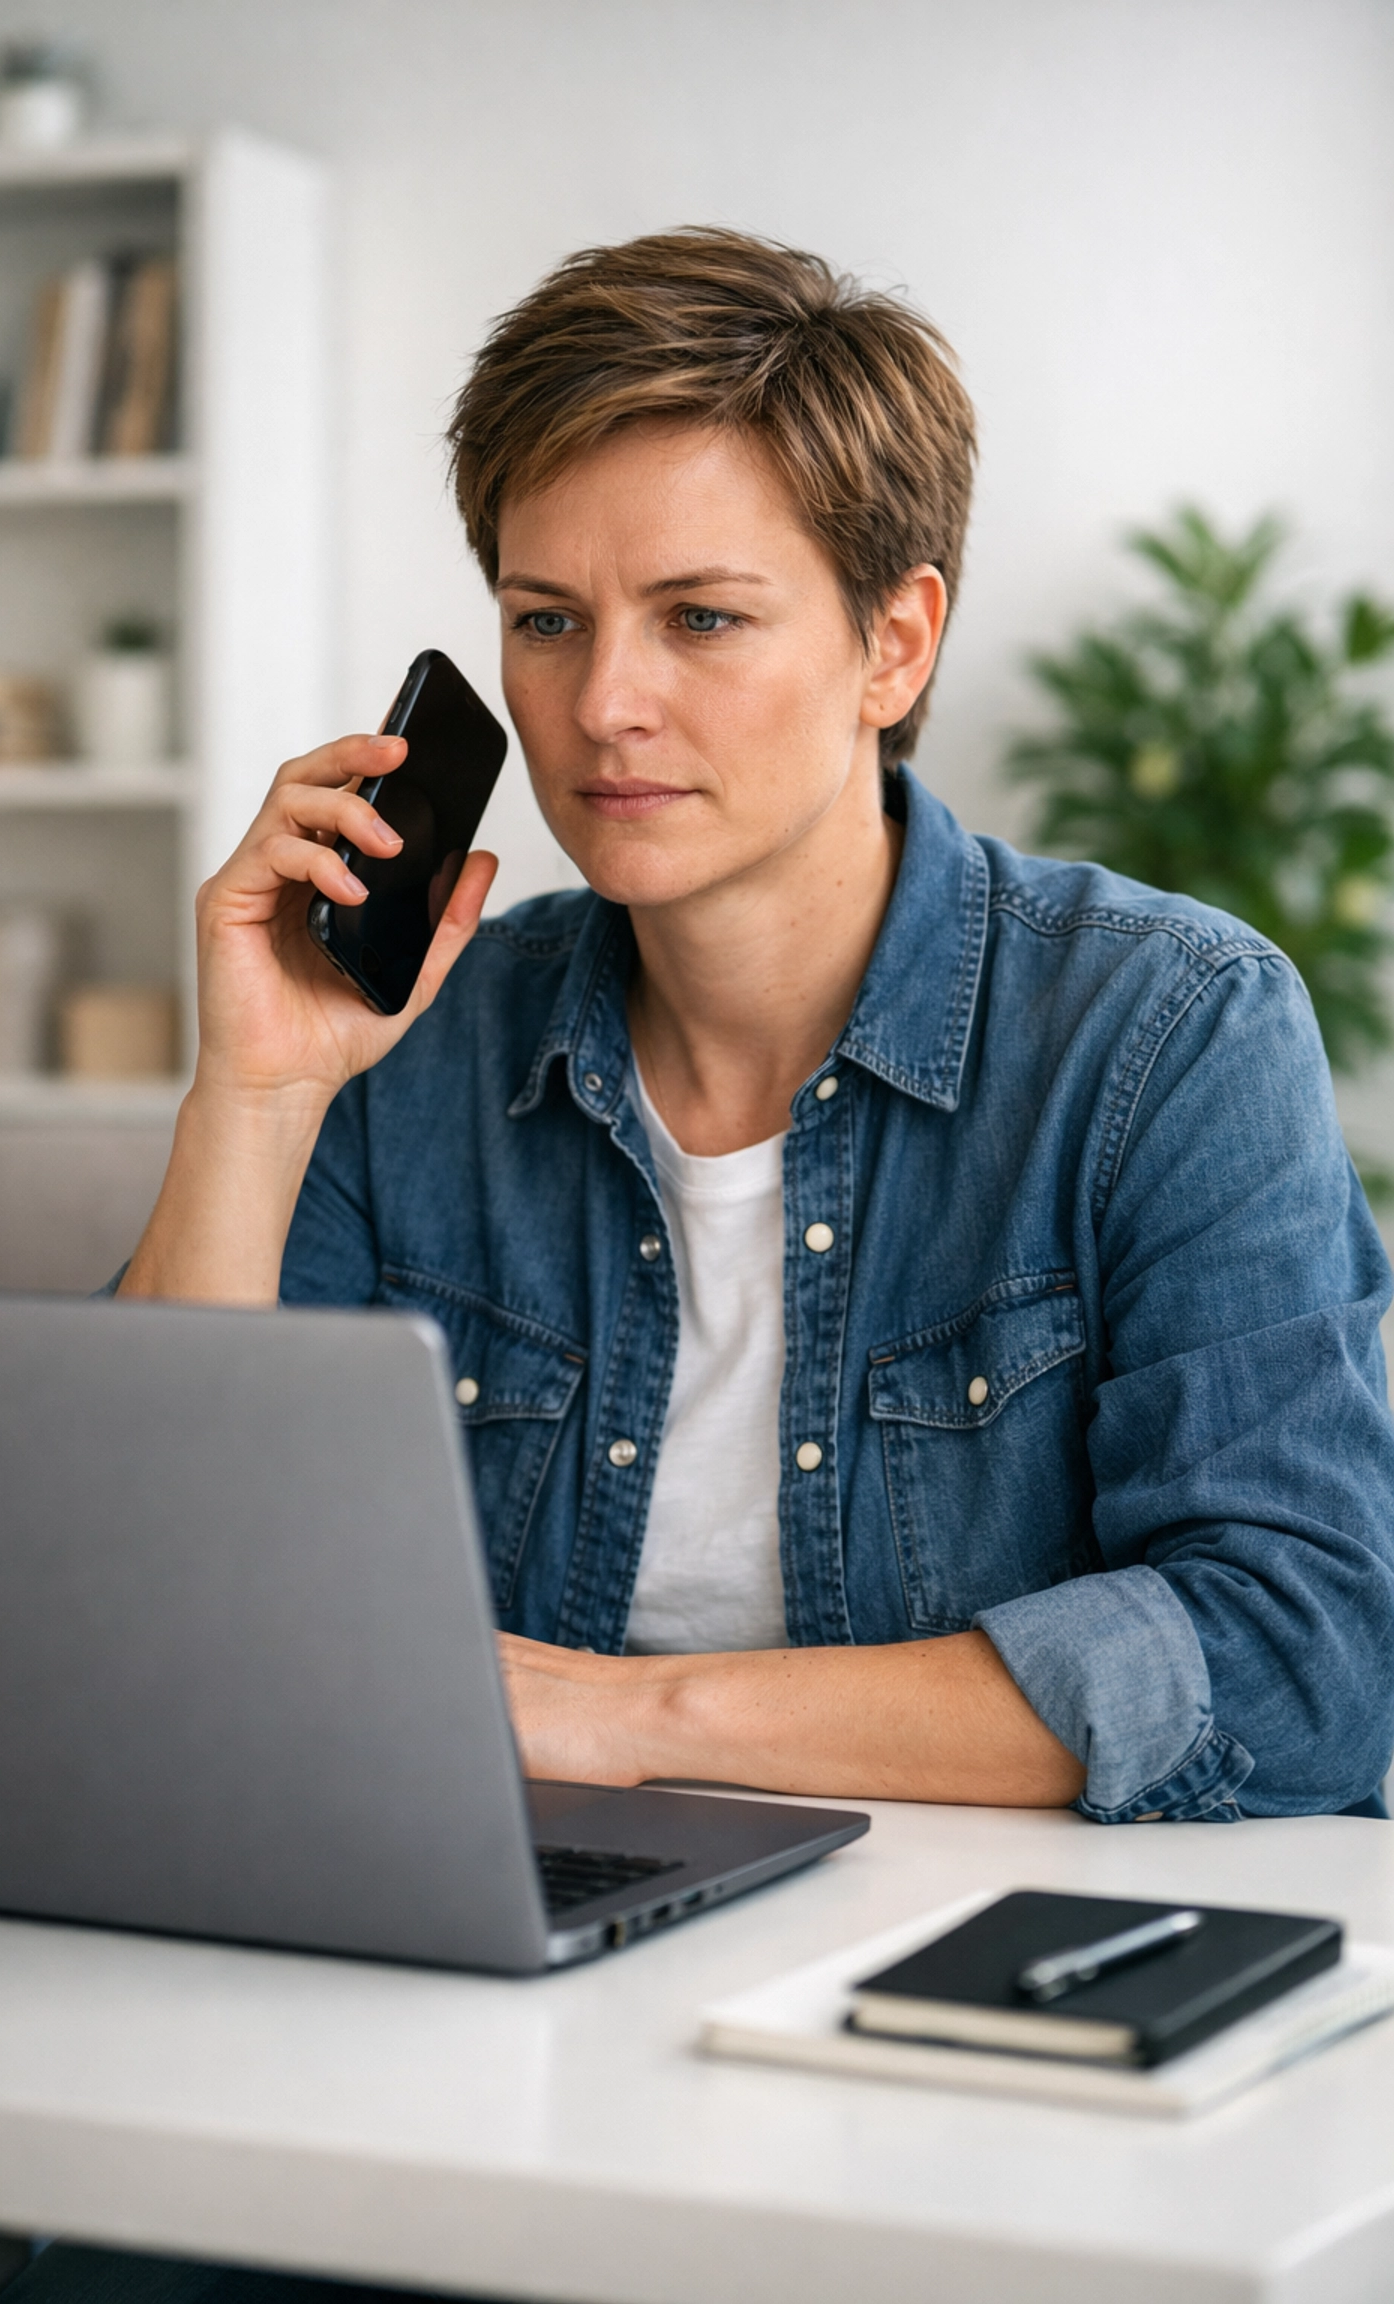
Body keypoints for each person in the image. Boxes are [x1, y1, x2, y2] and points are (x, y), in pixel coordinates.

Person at [120, 226, 1394, 1823]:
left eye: (701, 619)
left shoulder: (1168, 1031)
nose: (603, 707)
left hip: (988, 1964)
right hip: (491, 1909)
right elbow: (142, 1591)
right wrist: (254, 1094)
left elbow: (1299, 1661)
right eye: (547, 619)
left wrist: (616, 1717)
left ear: (894, 643)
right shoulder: (419, 1043)